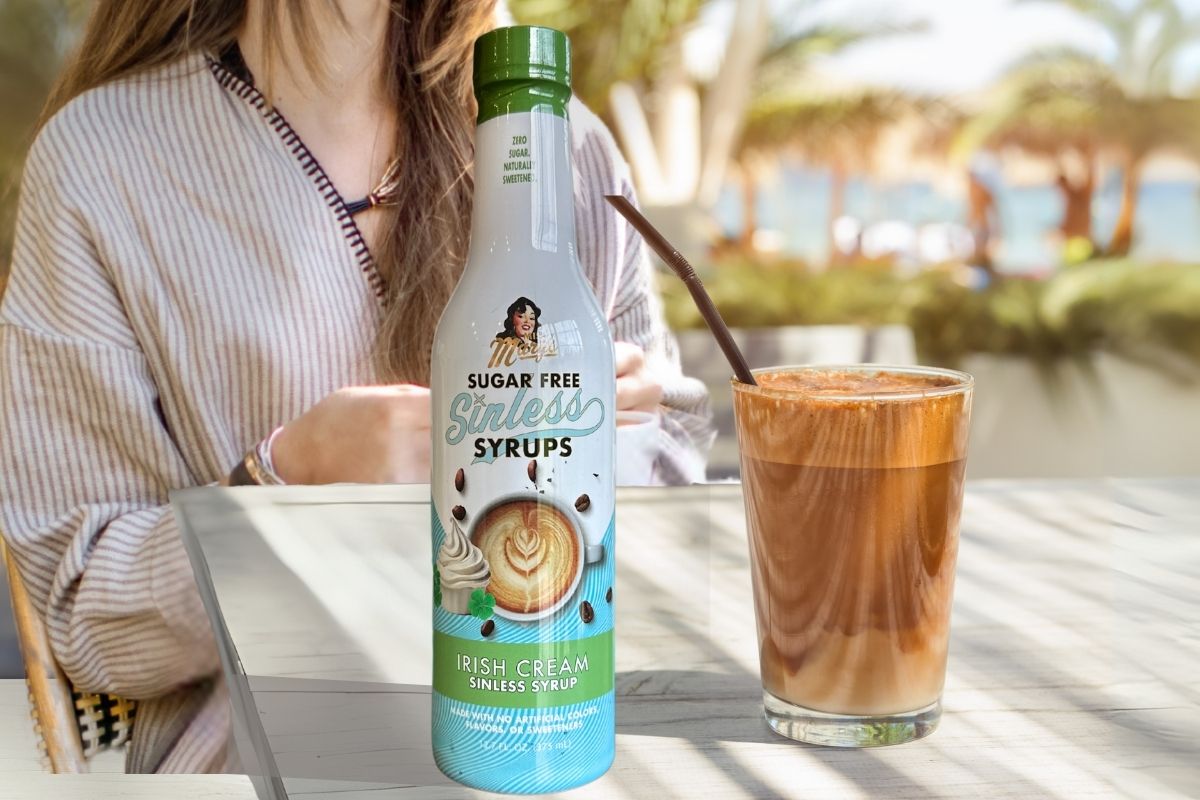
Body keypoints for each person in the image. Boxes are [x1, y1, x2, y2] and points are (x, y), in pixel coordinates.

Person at [0, 0, 712, 773]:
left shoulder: (563, 146)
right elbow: (87, 622)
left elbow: (679, 516)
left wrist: (626, 442)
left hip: (564, 740)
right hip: (278, 764)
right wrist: (282, 483)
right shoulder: (101, 163)